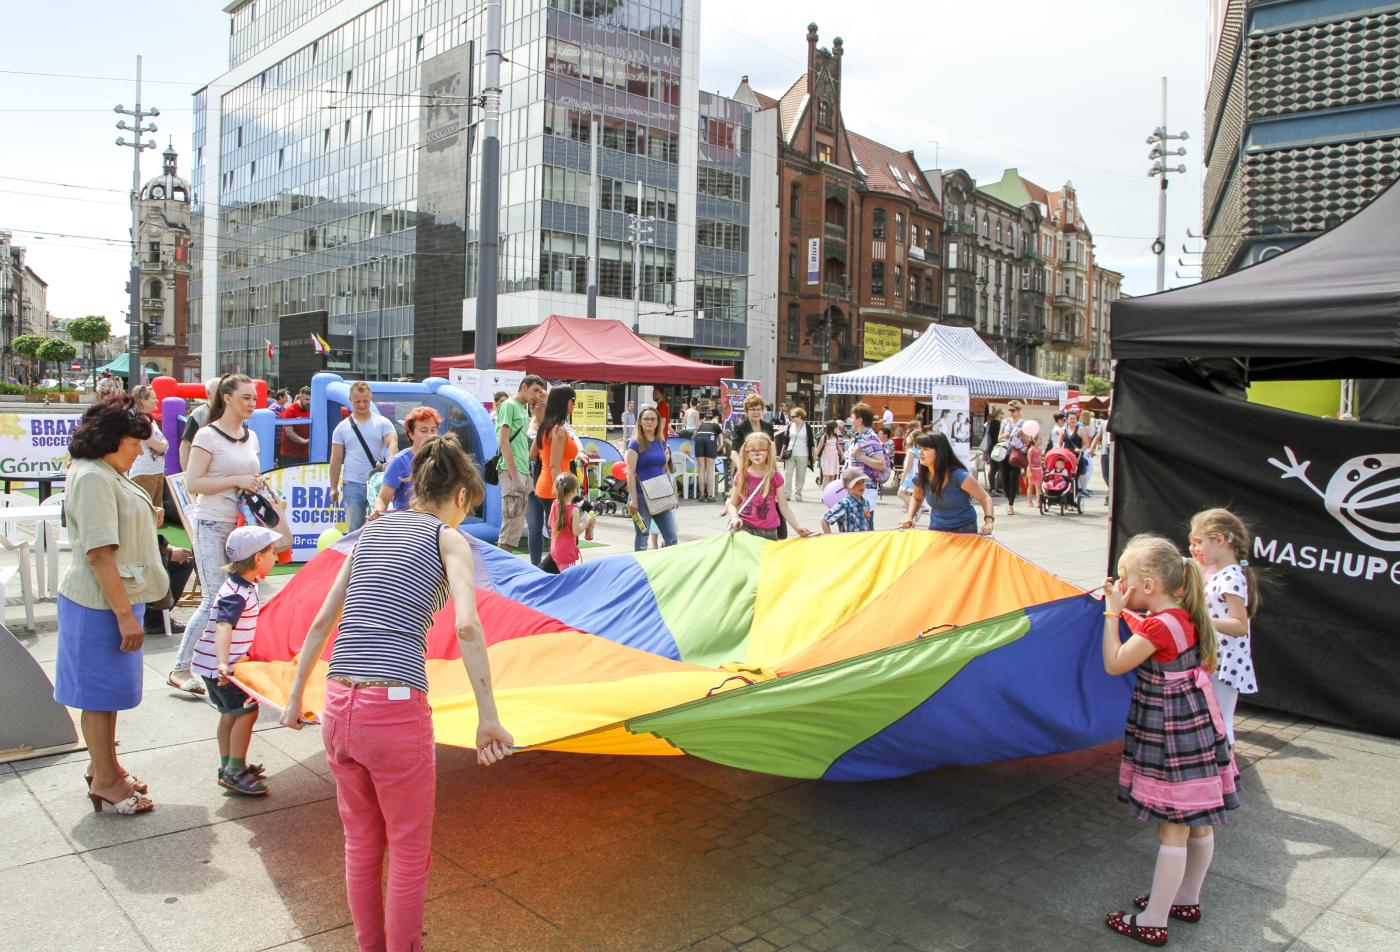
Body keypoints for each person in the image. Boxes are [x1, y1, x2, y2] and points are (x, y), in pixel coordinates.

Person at [278, 435, 513, 952]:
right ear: (459, 497)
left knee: (361, 844)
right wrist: (487, 716)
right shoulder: (448, 540)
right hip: (395, 707)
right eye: (468, 508)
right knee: (409, 851)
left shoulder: (371, 531)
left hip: (339, 701)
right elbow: (469, 628)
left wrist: (296, 698)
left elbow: (323, 621)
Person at [1102, 534, 1238, 945]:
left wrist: (1111, 616)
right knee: (1198, 822)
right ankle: (1185, 899)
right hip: (1195, 724)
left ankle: (1153, 919)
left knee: (1173, 828)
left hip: (1170, 732)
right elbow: (1153, 632)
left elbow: (1115, 663)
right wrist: (1127, 613)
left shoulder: (1161, 625)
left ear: (1148, 586)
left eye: (1125, 580)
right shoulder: (1185, 614)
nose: (1122, 587)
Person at [55, 394, 167, 815]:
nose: (139, 450)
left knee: (106, 697)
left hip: (112, 600)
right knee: (98, 697)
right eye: (134, 442)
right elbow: (99, 553)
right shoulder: (93, 477)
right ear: (112, 439)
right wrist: (124, 616)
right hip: (100, 604)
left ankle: (106, 767)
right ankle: (105, 779)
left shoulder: (102, 471)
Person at [169, 373, 262, 698]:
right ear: (227, 398)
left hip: (241, 525)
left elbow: (252, 474)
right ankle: (181, 668)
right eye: (246, 398)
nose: (252, 403)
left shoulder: (250, 436)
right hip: (210, 522)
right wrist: (237, 478)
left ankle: (231, 663)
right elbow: (193, 483)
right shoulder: (207, 436)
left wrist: (256, 485)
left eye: (254, 398)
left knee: (244, 595)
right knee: (213, 599)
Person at [189, 524, 279, 796]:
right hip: (221, 667)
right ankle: (235, 770)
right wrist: (223, 663)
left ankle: (227, 765)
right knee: (246, 712)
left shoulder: (243, 584)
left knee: (229, 713)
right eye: (272, 552)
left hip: (211, 664)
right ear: (257, 559)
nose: (276, 557)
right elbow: (223, 626)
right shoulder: (236, 593)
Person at [1189, 508, 1261, 747]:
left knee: (1220, 718)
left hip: (1225, 661)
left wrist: (1201, 619)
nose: (1194, 548)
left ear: (1219, 540)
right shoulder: (1217, 572)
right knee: (1214, 716)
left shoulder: (1231, 577)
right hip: (1215, 656)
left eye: (1198, 542)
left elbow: (1240, 625)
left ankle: (1225, 771)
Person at [329, 382, 397, 534]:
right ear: (350, 400)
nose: (362, 404)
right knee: (355, 528)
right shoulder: (342, 427)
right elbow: (335, 458)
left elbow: (392, 443)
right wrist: (333, 487)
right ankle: (354, 556)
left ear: (370, 399)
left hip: (377, 482)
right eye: (357, 401)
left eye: (365, 401)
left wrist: (390, 460)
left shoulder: (383, 422)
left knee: (379, 526)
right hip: (352, 483)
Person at [899, 432, 995, 535]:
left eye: (926, 449)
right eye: (920, 448)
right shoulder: (920, 478)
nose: (920, 453)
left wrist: (988, 522)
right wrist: (909, 517)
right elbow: (917, 498)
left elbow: (985, 497)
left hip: (964, 530)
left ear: (939, 452)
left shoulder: (959, 476)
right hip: (936, 529)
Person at [724, 432, 813, 540]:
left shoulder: (775, 477)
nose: (757, 454)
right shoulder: (741, 476)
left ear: (768, 452)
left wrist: (797, 527)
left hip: (769, 531)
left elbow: (784, 507)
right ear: (747, 452)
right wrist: (734, 517)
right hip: (744, 528)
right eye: (752, 450)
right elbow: (732, 504)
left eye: (762, 450)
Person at [496, 375, 547, 551]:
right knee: (510, 525)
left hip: (523, 471)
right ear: (524, 387)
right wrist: (514, 474)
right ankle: (500, 571)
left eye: (540, 391)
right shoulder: (509, 406)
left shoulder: (522, 410)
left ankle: (504, 568)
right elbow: (503, 441)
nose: (537, 395)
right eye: (535, 390)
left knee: (515, 526)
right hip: (512, 471)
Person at [532, 385, 579, 563]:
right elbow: (554, 466)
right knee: (564, 542)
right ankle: (544, 577)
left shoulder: (546, 426)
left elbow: (533, 454)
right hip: (556, 489)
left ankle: (550, 577)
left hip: (545, 488)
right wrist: (562, 496)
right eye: (573, 401)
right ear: (567, 402)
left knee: (559, 540)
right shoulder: (558, 431)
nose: (574, 405)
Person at [372, 406, 442, 518]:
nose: (430, 435)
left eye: (433, 430)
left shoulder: (443, 458)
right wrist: (377, 512)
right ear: (411, 434)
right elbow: (383, 498)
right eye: (424, 431)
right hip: (406, 524)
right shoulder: (400, 461)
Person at [626, 405, 679, 551]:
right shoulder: (635, 444)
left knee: (672, 537)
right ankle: (642, 568)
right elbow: (630, 473)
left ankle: (664, 564)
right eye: (646, 419)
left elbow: (665, 469)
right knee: (643, 537)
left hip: (661, 493)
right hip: (642, 496)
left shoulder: (661, 442)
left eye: (652, 419)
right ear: (640, 422)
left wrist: (674, 494)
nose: (649, 422)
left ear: (657, 422)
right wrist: (634, 499)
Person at [845, 403, 888, 528]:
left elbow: (881, 464)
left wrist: (860, 457)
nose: (851, 421)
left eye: (852, 418)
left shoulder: (871, 438)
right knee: (857, 524)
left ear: (859, 420)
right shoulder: (859, 437)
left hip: (865, 489)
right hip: (856, 488)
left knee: (866, 524)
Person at [550, 472, 593, 571]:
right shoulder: (574, 510)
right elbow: (576, 532)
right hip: (567, 552)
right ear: (575, 491)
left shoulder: (555, 504)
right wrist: (588, 522)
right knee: (569, 581)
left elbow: (549, 523)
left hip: (555, 549)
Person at [179, 378, 221, 471]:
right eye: (218, 391)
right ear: (208, 393)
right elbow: (185, 445)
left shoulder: (233, 412)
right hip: (204, 470)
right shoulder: (198, 414)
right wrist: (186, 473)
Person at [776, 406, 813, 502]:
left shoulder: (807, 427)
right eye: (791, 417)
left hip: (803, 454)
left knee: (801, 475)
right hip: (790, 453)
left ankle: (798, 494)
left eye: (793, 416)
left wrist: (814, 454)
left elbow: (811, 443)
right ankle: (787, 494)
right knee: (788, 473)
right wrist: (781, 454)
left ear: (800, 416)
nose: (791, 418)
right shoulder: (790, 426)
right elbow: (786, 441)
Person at [730, 394, 774, 473]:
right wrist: (742, 468)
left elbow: (772, 450)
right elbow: (734, 451)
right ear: (746, 411)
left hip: (765, 470)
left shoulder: (769, 427)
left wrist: (773, 468)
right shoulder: (740, 427)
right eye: (753, 409)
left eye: (759, 409)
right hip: (745, 468)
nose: (756, 412)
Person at [999, 400, 1028, 516]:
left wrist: (1022, 435)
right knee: (1004, 478)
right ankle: (1008, 497)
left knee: (1013, 477)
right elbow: (998, 438)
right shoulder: (1005, 422)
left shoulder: (1024, 423)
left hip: (1017, 454)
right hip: (1004, 452)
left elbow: (1028, 441)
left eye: (1013, 410)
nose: (1011, 412)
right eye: (1009, 410)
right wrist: (1003, 435)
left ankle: (1010, 504)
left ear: (1019, 410)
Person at [822, 469, 874, 534]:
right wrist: (829, 537)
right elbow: (824, 520)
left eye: (862, 482)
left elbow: (866, 523)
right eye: (856, 483)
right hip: (849, 542)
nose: (861, 486)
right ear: (846, 487)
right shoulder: (844, 504)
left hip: (863, 542)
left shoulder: (866, 503)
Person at [693, 409, 723, 503]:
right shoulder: (716, 425)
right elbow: (721, 443)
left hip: (699, 439)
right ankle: (710, 495)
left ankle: (702, 495)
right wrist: (718, 449)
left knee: (701, 469)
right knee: (709, 470)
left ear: (704, 417)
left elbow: (693, 436)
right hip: (710, 439)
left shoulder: (700, 425)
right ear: (713, 417)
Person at [982, 407, 1003, 495]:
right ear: (998, 414)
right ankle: (995, 488)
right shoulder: (998, 424)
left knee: (994, 468)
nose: (1003, 415)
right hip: (997, 448)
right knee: (997, 469)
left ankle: (994, 488)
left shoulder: (990, 424)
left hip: (992, 448)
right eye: (1002, 413)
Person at [816, 420, 844, 487]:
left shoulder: (836, 436)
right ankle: (825, 495)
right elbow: (818, 449)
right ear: (832, 428)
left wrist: (842, 454)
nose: (837, 429)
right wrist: (813, 458)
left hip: (834, 458)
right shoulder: (824, 437)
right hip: (826, 458)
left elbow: (837, 446)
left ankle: (831, 494)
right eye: (836, 428)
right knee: (826, 477)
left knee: (833, 477)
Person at [1026, 433, 1045, 509]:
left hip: (1039, 469)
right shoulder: (1031, 450)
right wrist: (1030, 470)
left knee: (1038, 486)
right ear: (1035, 440)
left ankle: (1038, 501)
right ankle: (1029, 501)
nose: (1041, 441)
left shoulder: (1040, 450)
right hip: (1032, 469)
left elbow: (1040, 459)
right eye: (1040, 439)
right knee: (1030, 486)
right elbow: (1029, 461)